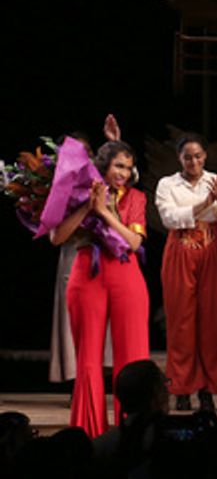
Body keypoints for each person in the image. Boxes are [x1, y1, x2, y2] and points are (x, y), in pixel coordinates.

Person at [50, 140, 150, 438]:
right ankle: (87, 432)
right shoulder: (77, 193)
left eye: (129, 168)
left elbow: (133, 243)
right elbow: (56, 237)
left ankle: (132, 431)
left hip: (125, 273)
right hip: (86, 273)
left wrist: (104, 212)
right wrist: (86, 208)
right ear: (103, 165)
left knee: (132, 357)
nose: (124, 173)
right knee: (89, 361)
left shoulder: (135, 198)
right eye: (119, 165)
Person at [155, 133, 217, 412]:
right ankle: (181, 388)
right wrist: (205, 205)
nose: (193, 161)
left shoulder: (215, 180)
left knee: (211, 320)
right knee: (181, 321)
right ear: (179, 158)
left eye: (198, 156)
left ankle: (207, 389)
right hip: (181, 248)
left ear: (205, 156)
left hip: (211, 249)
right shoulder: (167, 184)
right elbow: (170, 217)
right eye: (187, 156)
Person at [49, 117, 119, 384]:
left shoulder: (101, 183)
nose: (83, 159)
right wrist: (85, 209)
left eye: (87, 153)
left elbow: (125, 174)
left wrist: (114, 143)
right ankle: (78, 382)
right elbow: (56, 237)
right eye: (76, 153)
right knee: (73, 321)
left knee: (104, 320)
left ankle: (101, 377)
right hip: (74, 255)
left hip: (105, 256)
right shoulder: (59, 188)